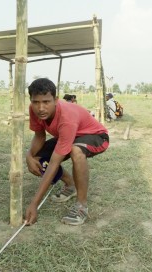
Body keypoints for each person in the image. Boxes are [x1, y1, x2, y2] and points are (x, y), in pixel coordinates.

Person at [25, 78, 109, 226]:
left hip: (96, 135)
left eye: (46, 102)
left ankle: (81, 205)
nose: (41, 108)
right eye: (36, 102)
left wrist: (34, 204)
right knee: (38, 158)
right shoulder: (33, 110)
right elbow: (39, 135)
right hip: (71, 135)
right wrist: (29, 156)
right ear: (31, 101)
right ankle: (70, 185)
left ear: (56, 100)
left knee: (76, 151)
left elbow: (54, 163)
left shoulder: (66, 118)